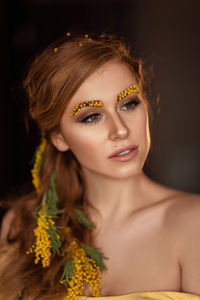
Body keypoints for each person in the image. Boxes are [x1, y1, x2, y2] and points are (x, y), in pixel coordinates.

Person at [0, 32, 200, 300]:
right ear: (59, 138)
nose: (119, 130)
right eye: (92, 117)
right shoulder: (23, 224)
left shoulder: (192, 225)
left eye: (129, 104)